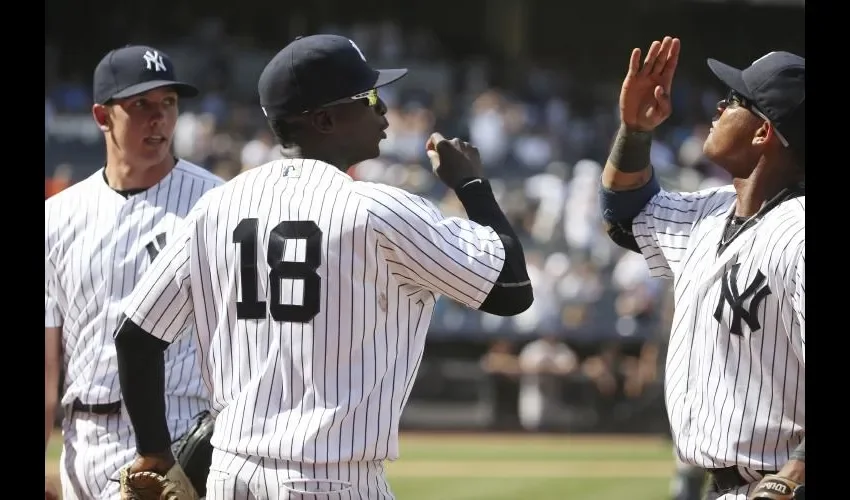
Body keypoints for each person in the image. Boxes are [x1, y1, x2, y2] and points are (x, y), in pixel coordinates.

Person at [112, 34, 534, 500]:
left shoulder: (215, 207)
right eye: (368, 98)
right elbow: (512, 289)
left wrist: (155, 454)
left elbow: (135, 336)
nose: (383, 110)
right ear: (324, 120)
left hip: (231, 475)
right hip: (331, 480)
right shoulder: (377, 209)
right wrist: (471, 184)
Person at [599, 36, 804, 500]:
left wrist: (791, 477)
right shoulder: (709, 212)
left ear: (762, 133)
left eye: (735, 99)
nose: (719, 106)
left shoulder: (799, 233)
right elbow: (624, 215)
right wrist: (635, 130)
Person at [44, 44, 223, 499]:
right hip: (82, 442)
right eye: (141, 104)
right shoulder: (57, 216)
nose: (159, 117)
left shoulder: (217, 204)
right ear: (102, 116)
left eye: (169, 102)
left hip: (180, 437)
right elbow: (47, 364)